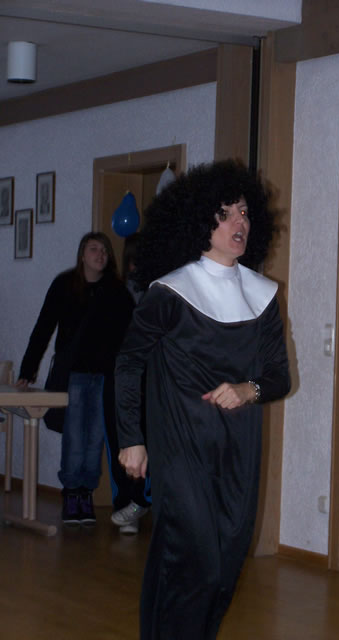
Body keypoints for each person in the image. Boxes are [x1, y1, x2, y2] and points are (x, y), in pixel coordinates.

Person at [115, 159, 291, 639]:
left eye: (245, 213)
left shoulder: (263, 296)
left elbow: (279, 377)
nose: (239, 223)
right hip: (181, 445)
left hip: (238, 447)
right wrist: (131, 438)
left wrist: (248, 389)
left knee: (224, 564)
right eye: (225, 214)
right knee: (199, 562)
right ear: (199, 223)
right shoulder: (171, 292)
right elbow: (128, 364)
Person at [17, 231, 134, 526]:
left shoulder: (116, 291)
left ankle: (86, 493)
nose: (100, 255)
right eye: (94, 249)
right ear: (82, 255)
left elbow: (131, 334)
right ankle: (72, 492)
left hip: (105, 376)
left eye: (104, 250)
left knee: (95, 437)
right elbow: (43, 327)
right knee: (74, 437)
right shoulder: (65, 285)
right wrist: (27, 370)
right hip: (74, 375)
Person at [104, 232, 151, 535]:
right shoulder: (117, 292)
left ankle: (140, 500)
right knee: (121, 441)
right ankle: (128, 504)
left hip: (150, 378)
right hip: (121, 376)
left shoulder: (159, 292)